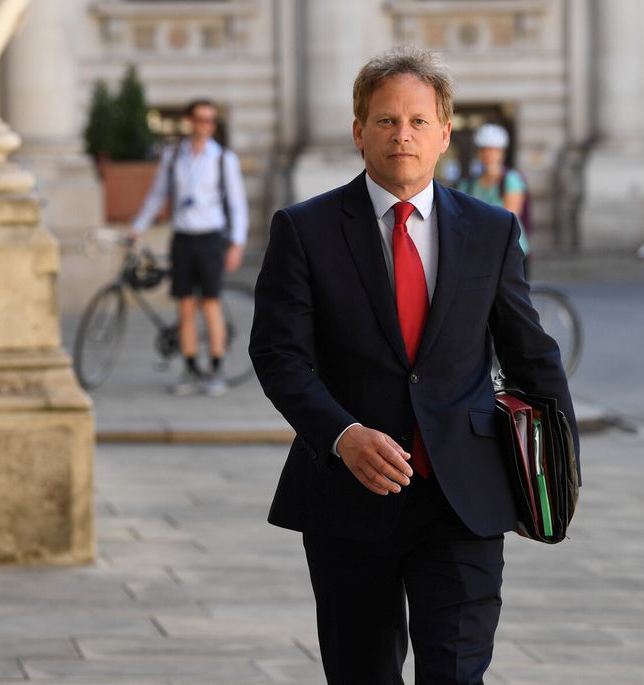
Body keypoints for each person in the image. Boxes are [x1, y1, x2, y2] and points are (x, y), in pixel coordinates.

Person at [249, 46, 578, 684]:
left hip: (464, 498)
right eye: (386, 120)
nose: (403, 135)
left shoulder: (491, 230)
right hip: (350, 494)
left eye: (418, 121)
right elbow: (278, 354)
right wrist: (342, 435)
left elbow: (531, 352)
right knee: (361, 673)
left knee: (456, 674)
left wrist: (557, 474)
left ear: (444, 133)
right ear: (358, 132)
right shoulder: (304, 229)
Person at [129, 99, 249, 397]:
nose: (204, 125)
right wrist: (138, 226)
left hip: (210, 238)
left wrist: (237, 242)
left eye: (210, 120)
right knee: (184, 306)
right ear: (189, 121)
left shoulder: (223, 159)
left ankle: (216, 369)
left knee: (210, 303)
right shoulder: (173, 157)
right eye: (199, 119)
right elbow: (157, 194)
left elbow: (236, 203)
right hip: (182, 237)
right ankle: (191, 368)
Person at [457, 123, 531, 260]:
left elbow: (509, 218)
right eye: (484, 150)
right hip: (480, 253)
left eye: (494, 150)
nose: (489, 155)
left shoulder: (511, 179)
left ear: (502, 153)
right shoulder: (468, 183)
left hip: (510, 252)